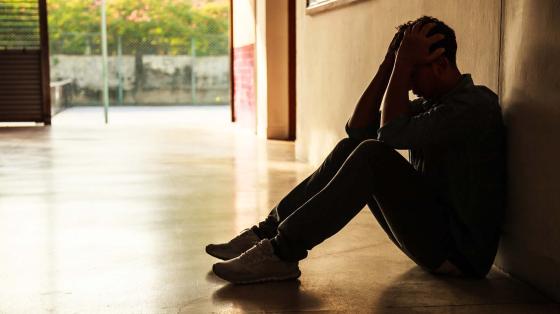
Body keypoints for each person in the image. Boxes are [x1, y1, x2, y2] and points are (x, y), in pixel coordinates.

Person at [206, 16, 506, 284]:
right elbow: (357, 128)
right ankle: (267, 233)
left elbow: (388, 135)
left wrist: (402, 65)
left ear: (440, 64)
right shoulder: (435, 104)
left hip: (461, 254)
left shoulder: (473, 105)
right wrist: (389, 66)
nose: (407, 85)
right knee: (353, 146)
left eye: (412, 74)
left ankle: (282, 252)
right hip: (436, 237)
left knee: (372, 154)